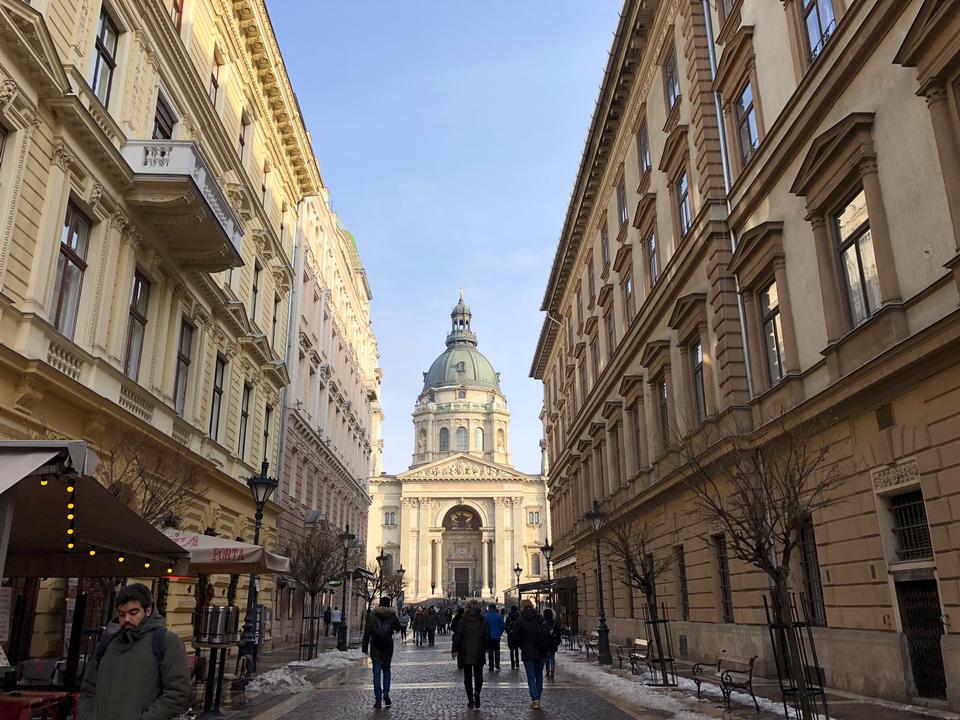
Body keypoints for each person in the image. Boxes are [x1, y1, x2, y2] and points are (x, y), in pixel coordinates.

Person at [79, 583, 189, 720]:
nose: (126, 619)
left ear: (148, 611)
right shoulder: (108, 643)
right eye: (121, 614)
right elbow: (88, 688)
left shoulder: (167, 642)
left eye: (133, 613)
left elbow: (177, 694)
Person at [362, 597, 403, 709]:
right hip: (387, 648)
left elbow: (367, 633)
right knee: (386, 671)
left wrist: (364, 648)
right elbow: (398, 628)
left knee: (376, 673)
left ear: (380, 604)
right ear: (389, 604)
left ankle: (378, 699)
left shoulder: (373, 616)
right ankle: (386, 693)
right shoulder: (392, 616)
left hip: (376, 648)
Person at [451, 600, 490, 709]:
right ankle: (477, 692)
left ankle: (470, 700)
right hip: (479, 650)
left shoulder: (463, 620)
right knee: (479, 675)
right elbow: (487, 634)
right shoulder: (482, 619)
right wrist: (486, 647)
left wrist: (455, 650)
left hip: (465, 651)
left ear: (467, 608)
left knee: (467, 676)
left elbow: (457, 636)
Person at [513, 599, 549, 710]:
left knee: (531, 676)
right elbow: (546, 634)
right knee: (539, 676)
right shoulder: (540, 618)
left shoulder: (520, 620)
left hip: (528, 651)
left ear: (522, 607)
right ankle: (538, 697)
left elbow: (515, 637)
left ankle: (535, 699)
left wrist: (521, 644)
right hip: (541, 650)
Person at [484, 603, 506, 671]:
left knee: (490, 651)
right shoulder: (499, 616)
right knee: (497, 651)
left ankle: (491, 666)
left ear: (489, 608)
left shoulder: (485, 616)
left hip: (489, 636)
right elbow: (503, 626)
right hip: (496, 636)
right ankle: (497, 664)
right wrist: (500, 633)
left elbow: (483, 626)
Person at [542, 608, 562, 679]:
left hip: (545, 643)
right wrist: (557, 642)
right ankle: (552, 669)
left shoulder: (543, 623)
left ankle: (547, 671)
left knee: (546, 658)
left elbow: (541, 633)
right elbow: (559, 634)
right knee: (552, 657)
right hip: (553, 643)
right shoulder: (554, 622)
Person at [505, 605, 520, 669]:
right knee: (516, 650)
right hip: (517, 635)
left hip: (510, 636)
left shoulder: (508, 617)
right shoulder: (519, 617)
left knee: (511, 650)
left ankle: (512, 664)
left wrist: (509, 633)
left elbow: (506, 627)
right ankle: (517, 663)